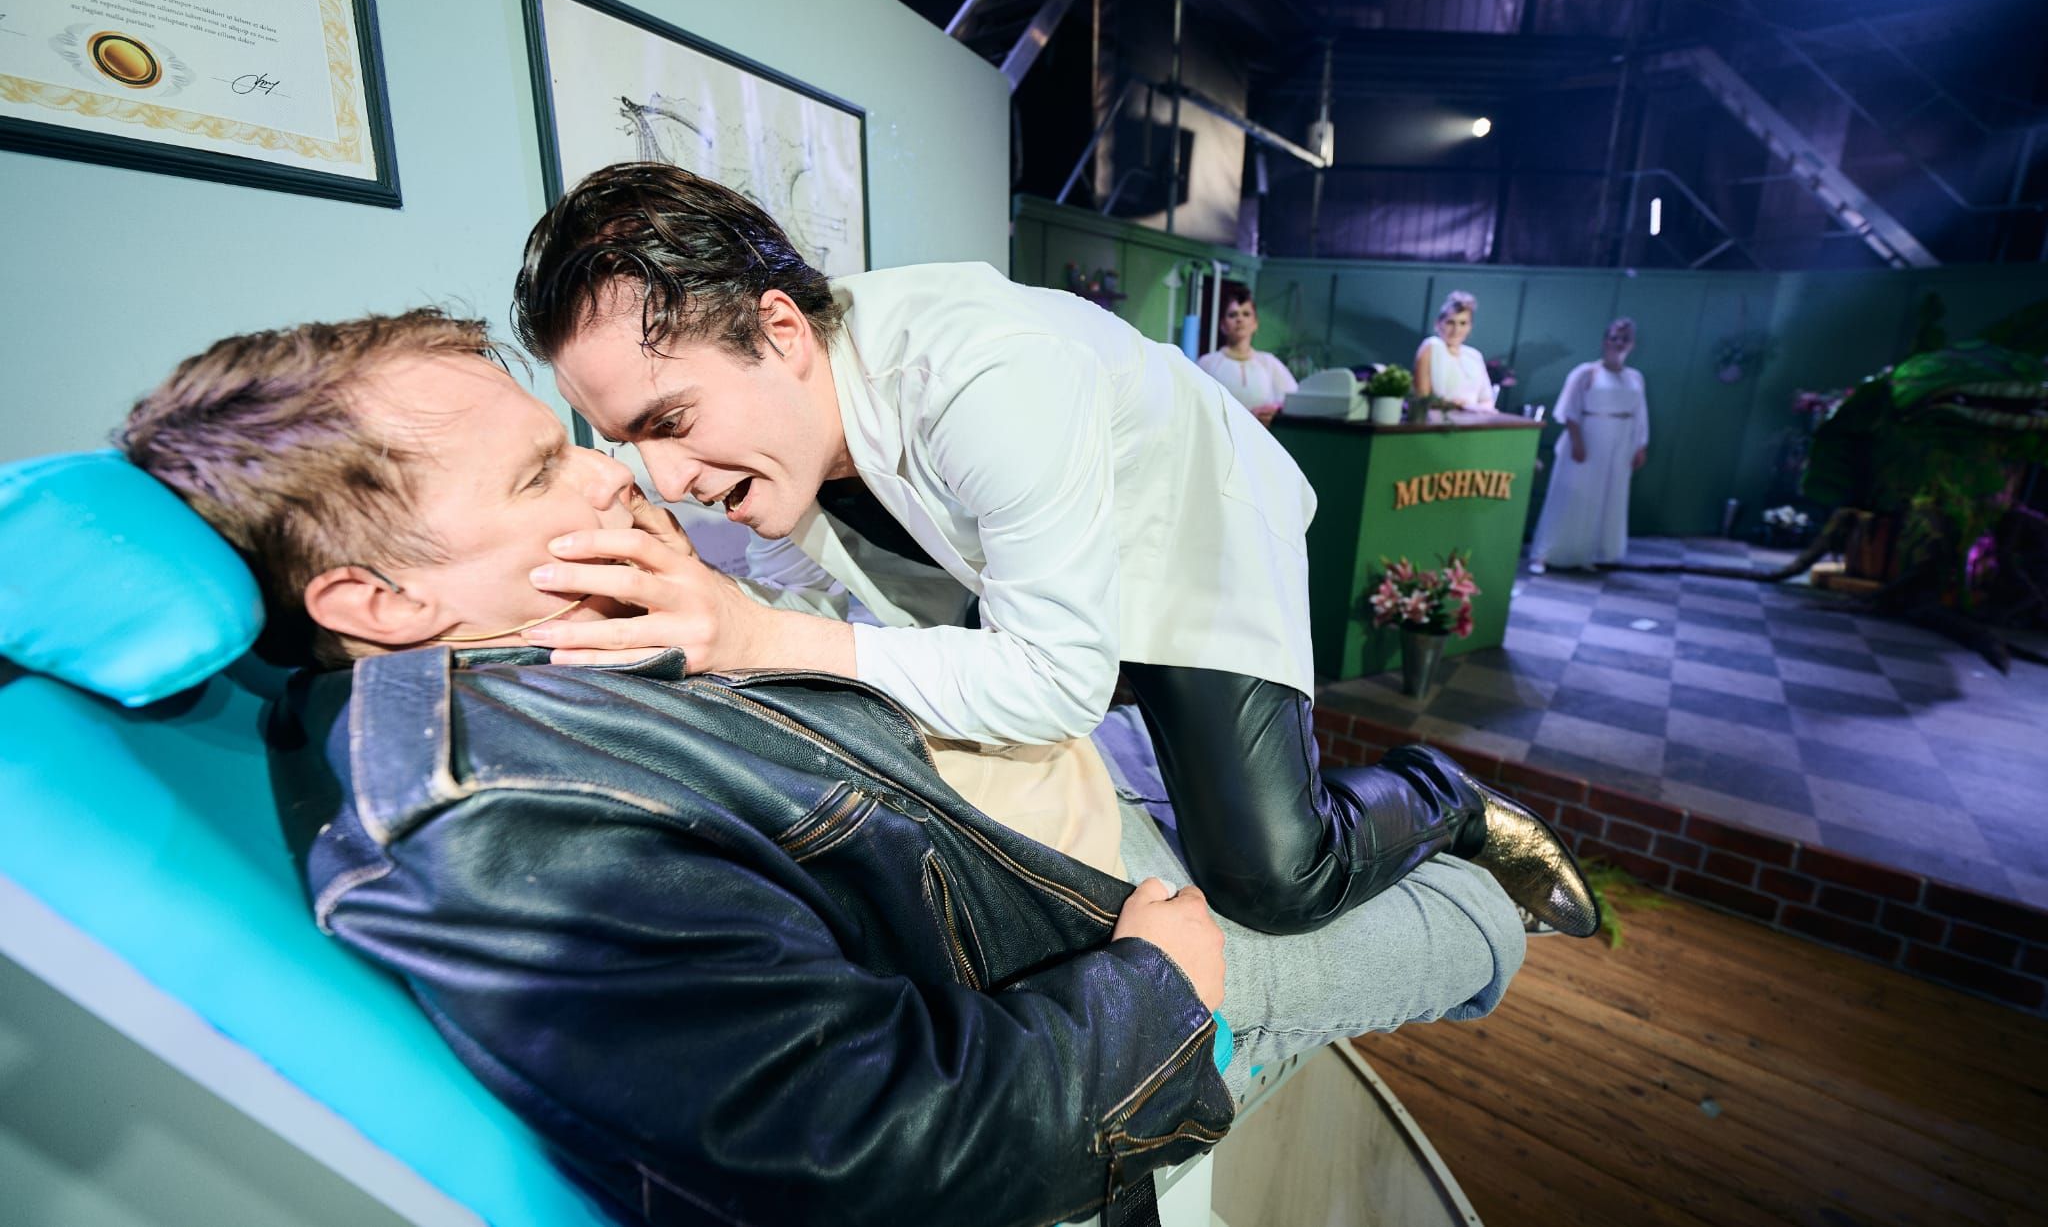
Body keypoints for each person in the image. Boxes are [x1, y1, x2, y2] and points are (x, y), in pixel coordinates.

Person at [119, 311, 1527, 1227]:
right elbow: (876, 1141)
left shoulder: (544, 648)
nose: (619, 476)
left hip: (1038, 899)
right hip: (1075, 1012)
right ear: (378, 602)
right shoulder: (497, 826)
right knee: (1476, 928)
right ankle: (1461, 850)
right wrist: (1157, 991)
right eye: (544, 471)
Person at [511, 163, 1599, 941]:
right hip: (1037, 562)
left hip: (1193, 541)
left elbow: (1055, 682)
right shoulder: (776, 444)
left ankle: (1446, 795)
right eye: (626, 444)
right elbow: (815, 607)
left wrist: (755, 636)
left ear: (781, 332)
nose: (668, 479)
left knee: (1272, 881)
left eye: (668, 421)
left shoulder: (987, 377)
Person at [1528, 317, 1650, 573]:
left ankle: (1585, 553)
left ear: (1632, 345)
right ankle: (1546, 553)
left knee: (1604, 498)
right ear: (1605, 341)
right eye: (1614, 338)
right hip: (1588, 438)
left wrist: (1640, 445)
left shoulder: (1635, 378)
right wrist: (1577, 442)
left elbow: (1640, 414)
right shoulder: (1586, 373)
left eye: (1625, 339)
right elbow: (1569, 410)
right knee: (1572, 494)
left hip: (1620, 442)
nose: (1619, 343)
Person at [1196, 281, 1297, 425]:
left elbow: (1294, 399)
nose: (1240, 319)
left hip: (1260, 436)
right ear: (1223, 325)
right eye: (1233, 314)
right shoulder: (1207, 364)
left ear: (1255, 323)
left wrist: (1275, 410)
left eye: (1246, 314)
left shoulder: (1269, 363)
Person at [1412, 290, 1497, 413]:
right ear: (1438, 324)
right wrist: (1451, 405)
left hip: (1473, 420)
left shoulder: (1475, 356)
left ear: (1470, 327)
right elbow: (1422, 397)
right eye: (1450, 322)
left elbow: (1487, 400)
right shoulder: (1431, 347)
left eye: (1463, 323)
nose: (1456, 330)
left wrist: (1471, 408)